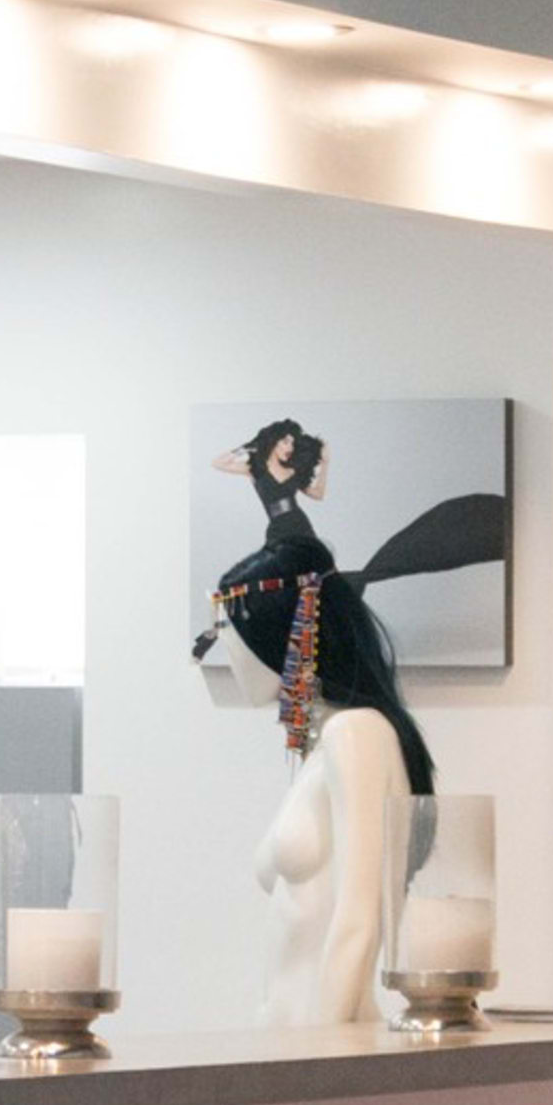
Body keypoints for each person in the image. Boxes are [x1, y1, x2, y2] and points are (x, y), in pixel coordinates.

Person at [196, 421, 457, 1027]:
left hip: (323, 1043)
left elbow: (360, 919)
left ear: (283, 637)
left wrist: (329, 1062)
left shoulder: (357, 735)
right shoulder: (325, 743)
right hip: (284, 1038)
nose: (226, 654)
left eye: (229, 634)